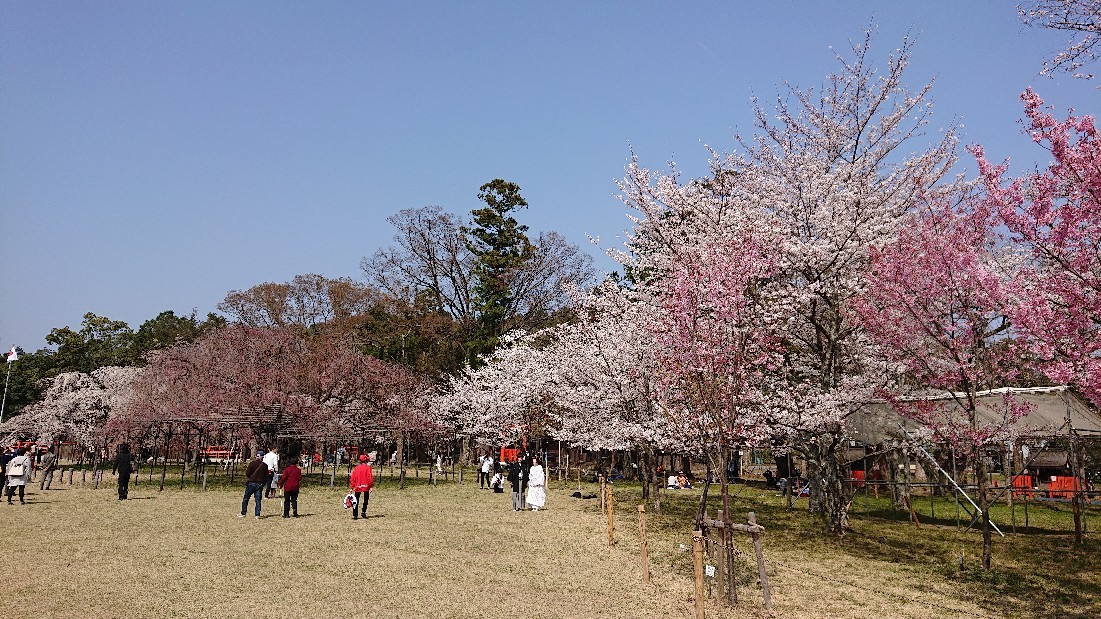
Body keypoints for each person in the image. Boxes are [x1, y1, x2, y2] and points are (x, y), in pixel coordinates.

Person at [240, 450, 268, 519]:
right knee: (258, 500)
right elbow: (266, 476)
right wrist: (263, 483)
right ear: (262, 457)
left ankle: (243, 513)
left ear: (256, 456)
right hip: (260, 484)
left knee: (246, 499)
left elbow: (247, 473)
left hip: (251, 483)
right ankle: (257, 515)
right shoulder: (265, 465)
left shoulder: (252, 464)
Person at [349, 454, 374, 520]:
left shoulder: (356, 468)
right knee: (366, 499)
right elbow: (370, 477)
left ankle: (355, 515)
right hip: (366, 486)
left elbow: (353, 478)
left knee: (356, 500)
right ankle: (363, 511)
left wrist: (352, 487)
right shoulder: (368, 468)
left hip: (358, 486)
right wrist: (370, 486)